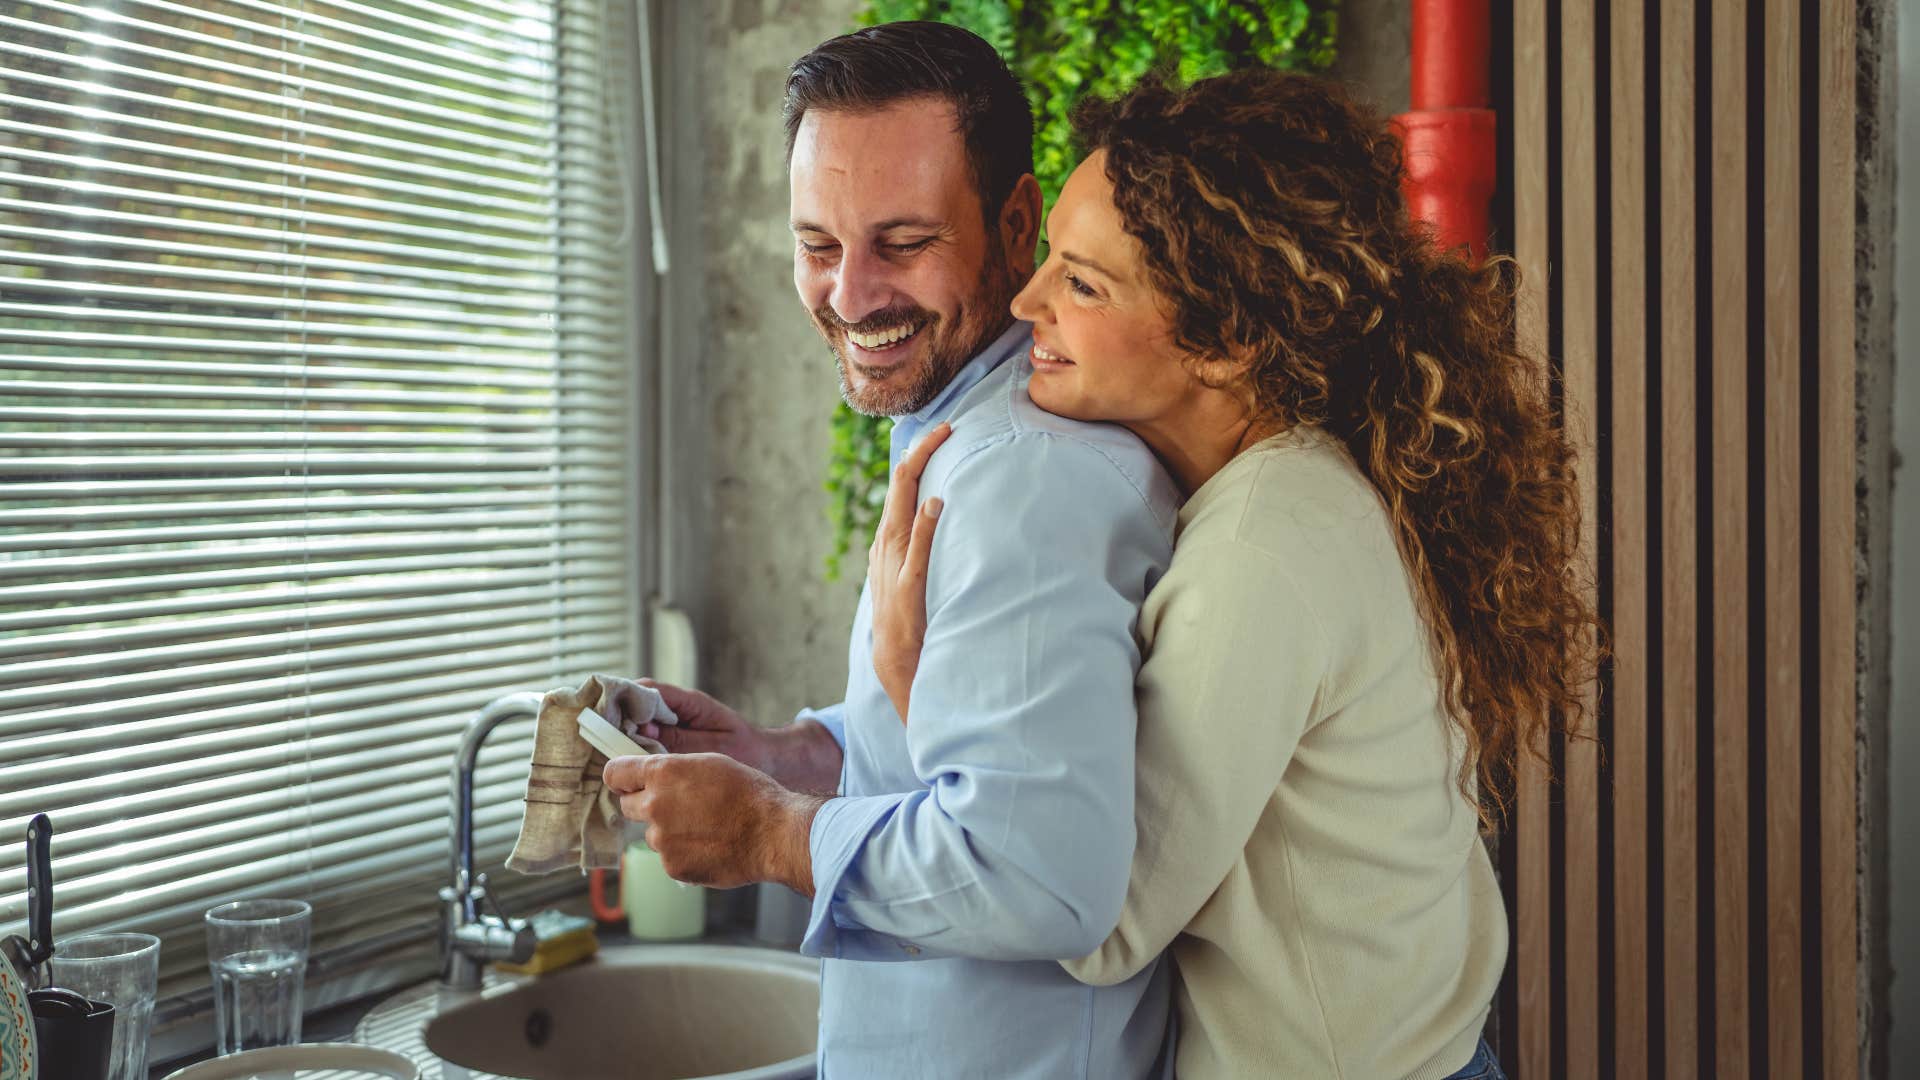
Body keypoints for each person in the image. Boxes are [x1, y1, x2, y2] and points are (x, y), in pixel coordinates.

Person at [865, 70, 1602, 1080]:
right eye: (1048, 264)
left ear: (1227, 342)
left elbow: (1101, 918)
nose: (1028, 301)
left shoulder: (1262, 551)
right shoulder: (1298, 489)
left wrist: (921, 683)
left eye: (1082, 284)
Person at [594, 21, 1181, 1079]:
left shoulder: (1023, 483)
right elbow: (978, 754)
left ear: (1016, 224)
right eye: (818, 247)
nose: (852, 296)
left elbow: (1042, 872)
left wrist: (773, 832)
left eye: (902, 244)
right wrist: (790, 756)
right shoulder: (957, 442)